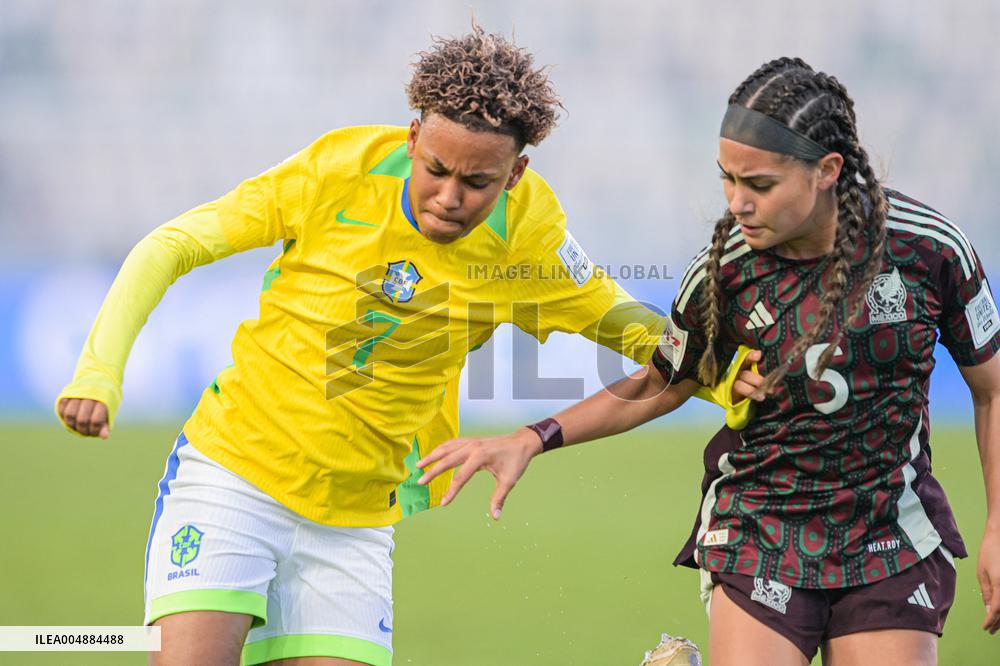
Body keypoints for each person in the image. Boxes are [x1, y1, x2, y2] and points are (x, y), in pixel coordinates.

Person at [55, 25, 751, 666]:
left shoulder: (531, 236)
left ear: (515, 174)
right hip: (233, 477)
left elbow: (627, 324)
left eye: (477, 182)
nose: (450, 196)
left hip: (356, 522)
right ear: (413, 136)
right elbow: (170, 246)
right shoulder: (339, 170)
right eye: (437, 169)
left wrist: (732, 379)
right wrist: (99, 374)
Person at [417, 57, 1000, 665]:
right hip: (759, 529)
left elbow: (992, 390)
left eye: (759, 185)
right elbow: (661, 382)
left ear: (827, 171)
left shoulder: (929, 250)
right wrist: (532, 438)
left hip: (889, 533)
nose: (737, 204)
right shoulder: (722, 273)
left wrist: (997, 528)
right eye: (728, 180)